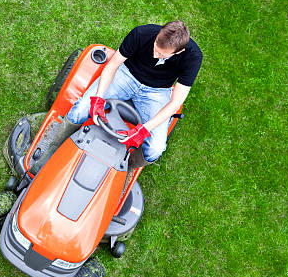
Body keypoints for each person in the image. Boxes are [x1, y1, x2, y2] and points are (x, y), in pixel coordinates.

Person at [31, 21, 202, 175]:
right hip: (126, 75)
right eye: (155, 47)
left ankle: (122, 169)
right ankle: (52, 150)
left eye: (162, 55)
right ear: (159, 33)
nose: (156, 55)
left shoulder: (193, 57)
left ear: (179, 51)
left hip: (157, 91)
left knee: (156, 149)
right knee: (81, 109)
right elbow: (112, 65)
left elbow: (175, 103)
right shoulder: (141, 33)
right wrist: (97, 100)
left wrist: (143, 130)